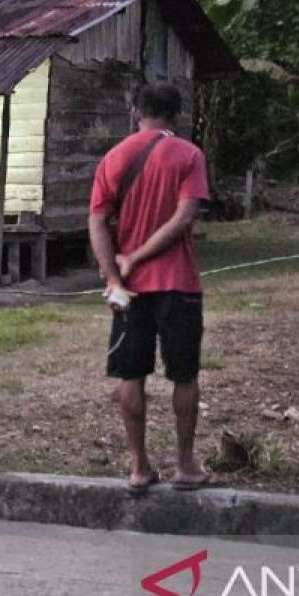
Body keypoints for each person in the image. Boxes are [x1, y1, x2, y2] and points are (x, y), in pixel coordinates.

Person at [87, 82, 212, 495]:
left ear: (135, 111)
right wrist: (138, 257)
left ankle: (139, 465)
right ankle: (185, 464)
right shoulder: (189, 155)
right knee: (184, 375)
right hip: (179, 283)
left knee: (131, 373)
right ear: (175, 116)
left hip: (130, 290)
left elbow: (97, 222)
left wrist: (114, 274)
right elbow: (183, 219)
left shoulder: (113, 158)